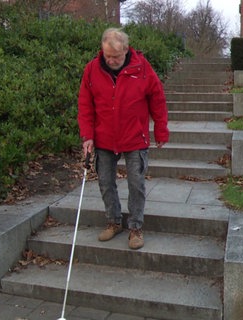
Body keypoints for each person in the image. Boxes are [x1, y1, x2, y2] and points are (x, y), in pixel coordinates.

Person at [77, 28, 169, 250]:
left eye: (116, 57)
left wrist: (161, 129)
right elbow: (85, 105)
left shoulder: (143, 68)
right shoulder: (92, 70)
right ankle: (113, 221)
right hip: (104, 136)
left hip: (134, 136)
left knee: (136, 184)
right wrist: (87, 136)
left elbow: (158, 99)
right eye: (108, 56)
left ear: (126, 51)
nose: (111, 60)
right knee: (105, 182)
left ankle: (135, 227)